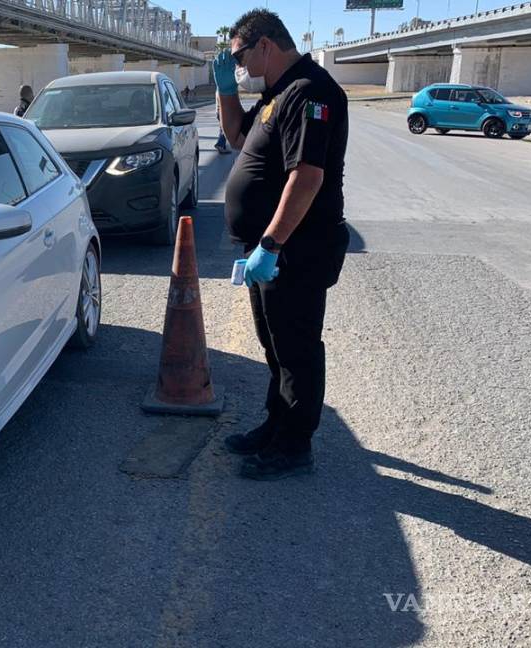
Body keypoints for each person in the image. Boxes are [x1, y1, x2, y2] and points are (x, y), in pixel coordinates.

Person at [214, 9, 350, 480]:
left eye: (238, 56)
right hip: (270, 248)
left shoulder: (311, 92)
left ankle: (295, 446)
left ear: (265, 45)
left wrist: (271, 243)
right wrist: (225, 90)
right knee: (274, 344)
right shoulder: (276, 94)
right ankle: (276, 426)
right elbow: (235, 137)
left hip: (297, 247)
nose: (237, 64)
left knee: (297, 348)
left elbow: (308, 176)